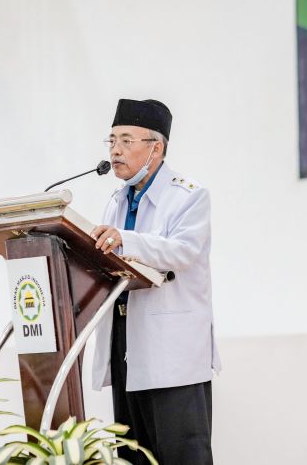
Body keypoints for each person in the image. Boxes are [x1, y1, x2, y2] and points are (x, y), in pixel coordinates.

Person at [90, 98, 220, 465]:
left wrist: (124, 240)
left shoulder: (189, 196)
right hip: (125, 348)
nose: (115, 149)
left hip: (172, 355)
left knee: (182, 456)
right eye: (111, 140)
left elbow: (182, 252)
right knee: (133, 457)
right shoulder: (115, 201)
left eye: (126, 140)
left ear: (156, 147)